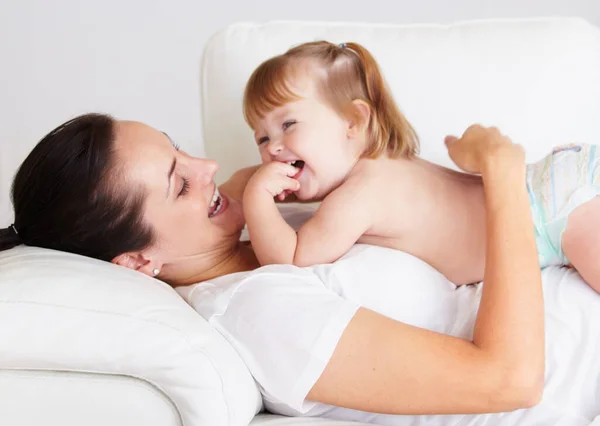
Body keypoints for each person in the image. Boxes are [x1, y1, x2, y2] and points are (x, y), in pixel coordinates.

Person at [1, 114, 548, 426]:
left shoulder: (258, 227)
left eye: (182, 150)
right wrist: (502, 173)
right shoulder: (258, 312)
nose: (207, 168)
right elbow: (510, 379)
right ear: (140, 263)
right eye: (180, 184)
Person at [241, 41, 600, 291]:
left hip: (553, 210)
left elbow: (293, 259)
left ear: (353, 121)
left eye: (288, 125)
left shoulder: (361, 193)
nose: (273, 147)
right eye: (260, 138)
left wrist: (256, 197)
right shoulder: (383, 165)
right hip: (559, 185)